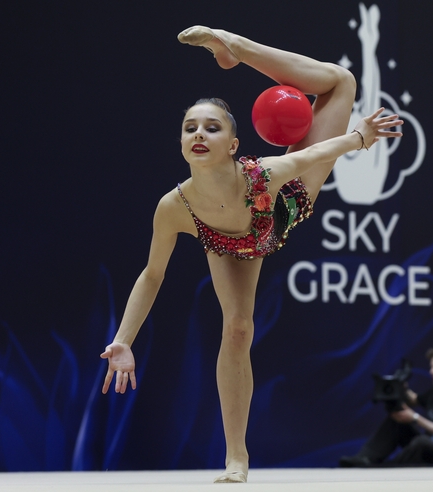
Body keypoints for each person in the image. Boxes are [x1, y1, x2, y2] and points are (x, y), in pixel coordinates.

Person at [98, 26, 404, 483]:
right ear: (181, 143)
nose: (199, 133)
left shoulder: (263, 173)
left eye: (212, 127)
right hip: (227, 246)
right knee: (238, 330)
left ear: (234, 145)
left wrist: (360, 137)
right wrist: (124, 339)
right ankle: (236, 458)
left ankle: (236, 47)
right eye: (190, 128)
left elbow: (318, 152)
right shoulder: (174, 207)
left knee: (342, 81)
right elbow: (152, 275)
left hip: (282, 204)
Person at [339, 349, 433, 467]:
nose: (432, 371)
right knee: (398, 422)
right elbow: (413, 399)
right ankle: (365, 458)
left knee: (422, 442)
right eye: (431, 367)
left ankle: (389, 469)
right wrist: (399, 388)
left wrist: (415, 418)